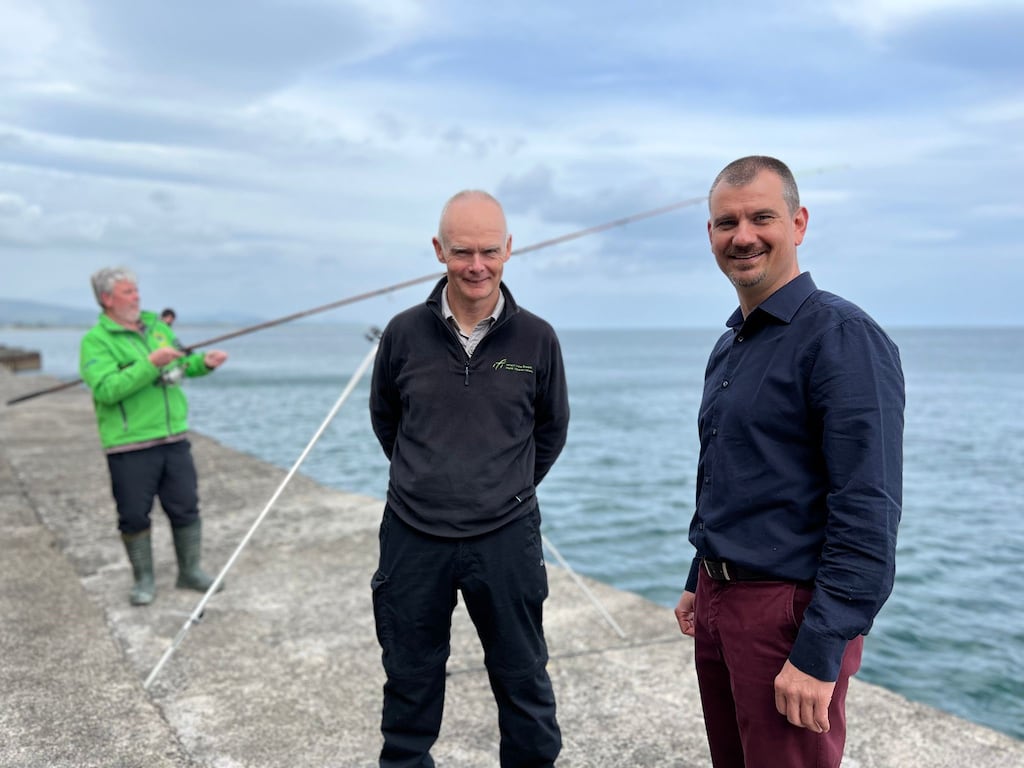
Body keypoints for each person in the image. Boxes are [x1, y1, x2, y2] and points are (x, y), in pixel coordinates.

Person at [673, 156, 904, 767]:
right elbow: (734, 476)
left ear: (798, 224)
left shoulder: (842, 336)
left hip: (787, 617)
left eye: (761, 218)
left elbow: (867, 506)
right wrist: (700, 573)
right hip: (722, 605)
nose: (742, 235)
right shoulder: (730, 346)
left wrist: (819, 648)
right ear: (711, 236)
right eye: (727, 222)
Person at [369, 190, 570, 767]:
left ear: (509, 249)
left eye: (488, 251)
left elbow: (550, 430)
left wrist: (503, 488)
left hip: (505, 538)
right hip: (412, 535)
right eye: (462, 252)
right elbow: (387, 420)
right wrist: (427, 478)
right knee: (409, 678)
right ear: (439, 251)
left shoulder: (537, 338)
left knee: (523, 679)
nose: (476, 265)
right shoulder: (403, 333)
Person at [80, 267, 228, 606]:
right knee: (133, 515)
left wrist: (204, 363)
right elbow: (106, 389)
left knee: (186, 507)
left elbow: (182, 362)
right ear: (107, 299)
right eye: (128, 292)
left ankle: (190, 571)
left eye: (136, 290)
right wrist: (150, 363)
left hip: (173, 437)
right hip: (129, 444)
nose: (137, 297)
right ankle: (143, 579)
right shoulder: (95, 341)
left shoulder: (157, 327)